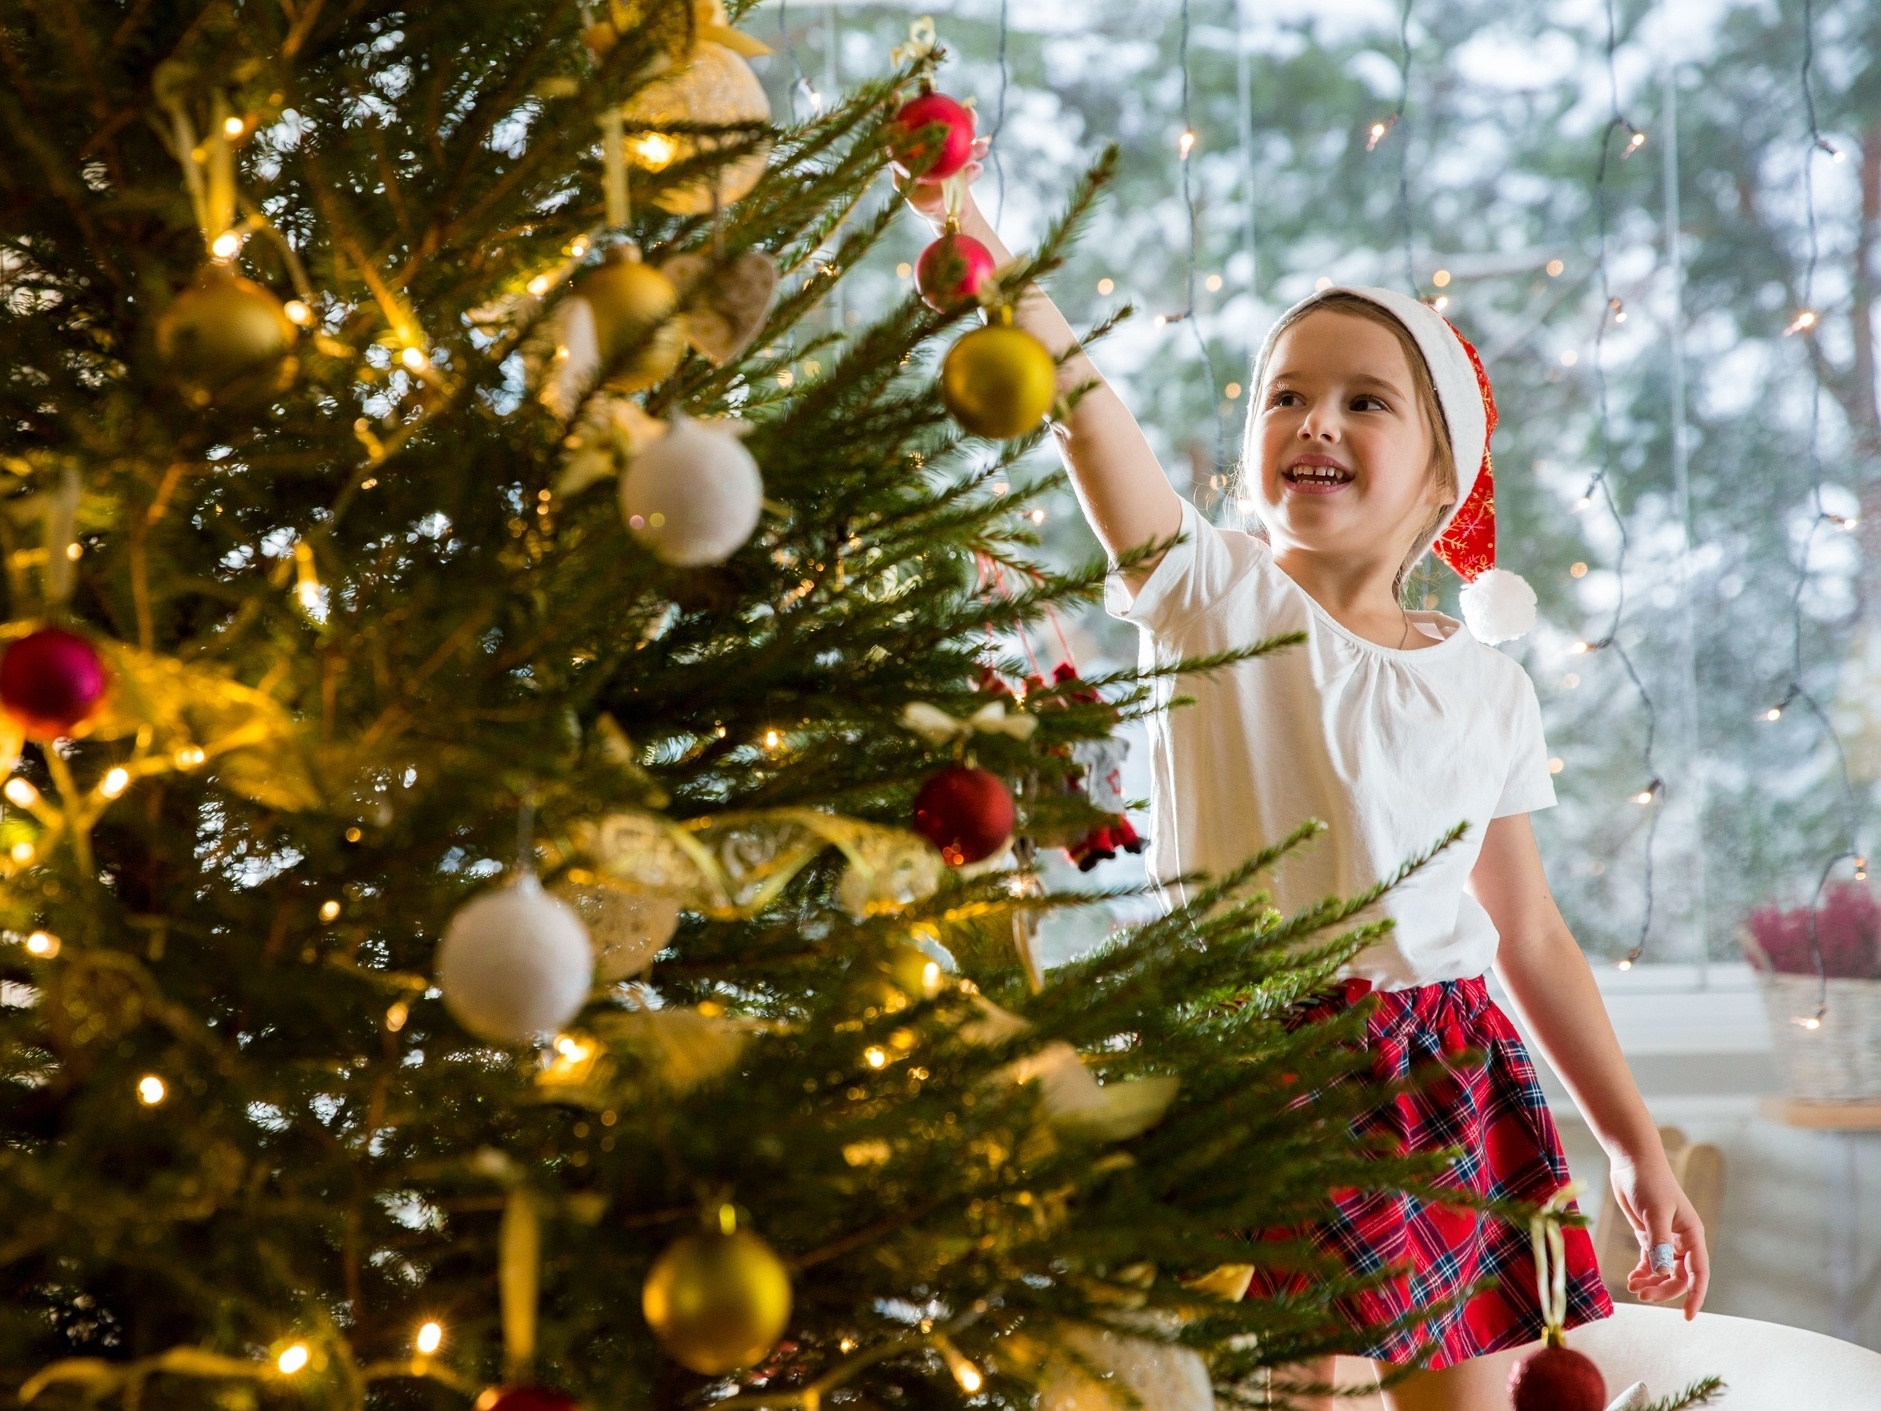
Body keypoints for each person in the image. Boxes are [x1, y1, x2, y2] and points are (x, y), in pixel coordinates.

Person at [904, 158, 1709, 1411]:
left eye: (1366, 402)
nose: (1317, 421)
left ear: (1446, 484)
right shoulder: (1206, 588)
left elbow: (1532, 933)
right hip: (1246, 1060)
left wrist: (1632, 1138)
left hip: (1443, 1073)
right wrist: (979, 241)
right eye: (1287, 396)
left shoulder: (1486, 685)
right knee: (1288, 1390)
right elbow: (1084, 408)